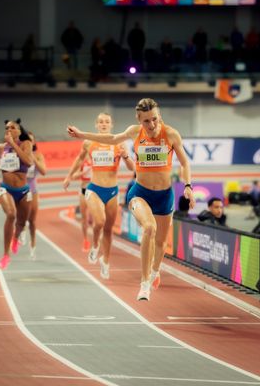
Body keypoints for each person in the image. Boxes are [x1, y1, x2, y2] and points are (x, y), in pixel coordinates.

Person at [68, 98, 195, 301]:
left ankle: (154, 271)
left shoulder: (170, 134)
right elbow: (110, 138)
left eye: (154, 119)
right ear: (139, 120)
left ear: (159, 116)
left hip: (164, 195)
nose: (151, 125)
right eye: (146, 121)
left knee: (161, 243)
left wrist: (188, 186)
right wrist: (82, 134)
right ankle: (144, 284)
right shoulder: (135, 132)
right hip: (140, 193)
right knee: (149, 229)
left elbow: (184, 163)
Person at [63, 113, 135, 279]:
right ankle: (95, 245)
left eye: (107, 122)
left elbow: (131, 168)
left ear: (111, 125)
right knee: (100, 221)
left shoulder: (119, 142)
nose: (104, 124)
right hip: (94, 188)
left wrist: (125, 156)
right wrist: (68, 176)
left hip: (112, 191)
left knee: (108, 230)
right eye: (101, 122)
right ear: (96, 125)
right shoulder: (89, 142)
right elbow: (79, 160)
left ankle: (106, 261)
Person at [0, 119, 34, 269]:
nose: (8, 130)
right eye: (6, 128)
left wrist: (13, 144)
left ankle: (16, 238)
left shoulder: (26, 144)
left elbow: (28, 162)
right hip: (6, 188)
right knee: (11, 214)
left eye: (12, 127)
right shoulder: (1, 147)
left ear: (19, 131)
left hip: (23, 191)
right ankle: (5, 255)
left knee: (21, 223)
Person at [23, 131, 47, 259]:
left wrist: (34, 159)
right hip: (20, 190)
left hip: (33, 190)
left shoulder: (38, 155)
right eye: (27, 140)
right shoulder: (19, 154)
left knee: (32, 220)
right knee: (21, 217)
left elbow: (43, 171)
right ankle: (20, 231)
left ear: (34, 142)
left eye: (31, 140)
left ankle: (32, 246)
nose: (29, 142)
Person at [64, 152, 93, 253]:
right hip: (84, 190)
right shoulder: (83, 160)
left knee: (97, 218)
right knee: (84, 218)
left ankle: (97, 241)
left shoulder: (97, 159)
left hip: (95, 191)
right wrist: (83, 173)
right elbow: (74, 176)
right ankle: (85, 240)